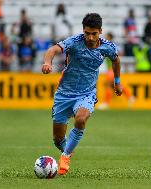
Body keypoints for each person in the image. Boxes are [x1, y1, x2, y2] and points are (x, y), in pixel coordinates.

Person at [42, 13, 123, 175]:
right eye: (87, 33)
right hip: (64, 94)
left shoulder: (108, 46)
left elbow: (116, 60)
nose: (90, 37)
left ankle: (65, 156)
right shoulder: (74, 42)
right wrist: (47, 62)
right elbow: (52, 50)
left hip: (86, 93)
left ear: (100, 31)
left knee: (81, 119)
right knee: (58, 140)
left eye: (94, 33)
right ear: (83, 31)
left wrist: (117, 81)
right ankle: (66, 150)